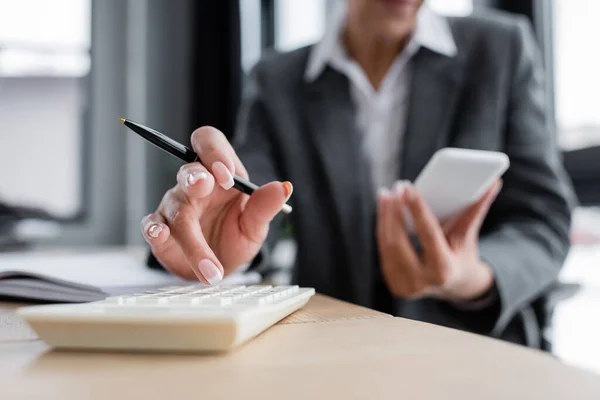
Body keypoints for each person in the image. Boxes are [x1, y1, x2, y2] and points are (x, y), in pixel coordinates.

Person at [143, 0, 575, 347]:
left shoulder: (501, 50)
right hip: (334, 356)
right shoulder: (277, 81)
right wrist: (215, 243)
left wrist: (469, 277)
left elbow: (544, 218)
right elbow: (250, 202)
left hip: (477, 354)